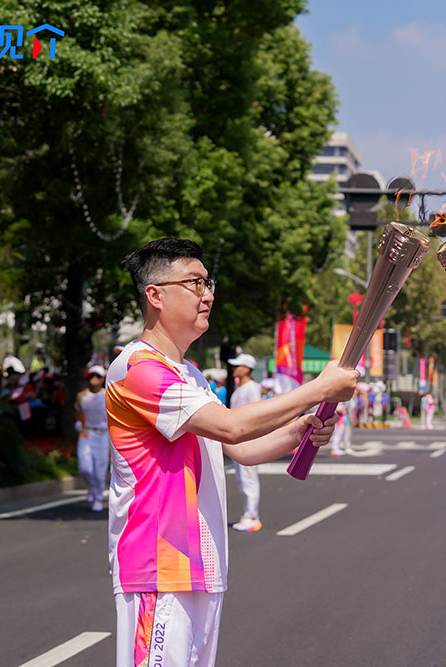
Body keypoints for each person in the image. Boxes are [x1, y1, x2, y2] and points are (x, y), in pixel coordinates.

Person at [105, 238, 358, 667]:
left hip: (201, 566)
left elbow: (239, 448)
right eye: (194, 282)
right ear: (155, 295)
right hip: (158, 568)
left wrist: (300, 430)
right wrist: (318, 388)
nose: (208, 294)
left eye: (208, 283)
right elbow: (232, 426)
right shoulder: (138, 370)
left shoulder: (189, 375)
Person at [227, 352, 263, 532]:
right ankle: (248, 514)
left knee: (249, 478)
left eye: (238, 366)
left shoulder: (252, 388)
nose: (235, 369)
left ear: (247, 368)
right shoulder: (240, 388)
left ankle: (252, 516)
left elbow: (256, 413)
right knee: (242, 478)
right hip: (238, 440)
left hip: (248, 440)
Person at [75, 365, 110, 511]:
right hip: (87, 433)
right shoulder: (82, 396)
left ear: (102, 379)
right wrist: (78, 422)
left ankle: (99, 498)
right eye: (92, 376)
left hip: (103, 435)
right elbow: (77, 410)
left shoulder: (108, 395)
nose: (94, 379)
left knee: (100, 469)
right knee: (85, 468)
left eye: (97, 376)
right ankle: (91, 486)